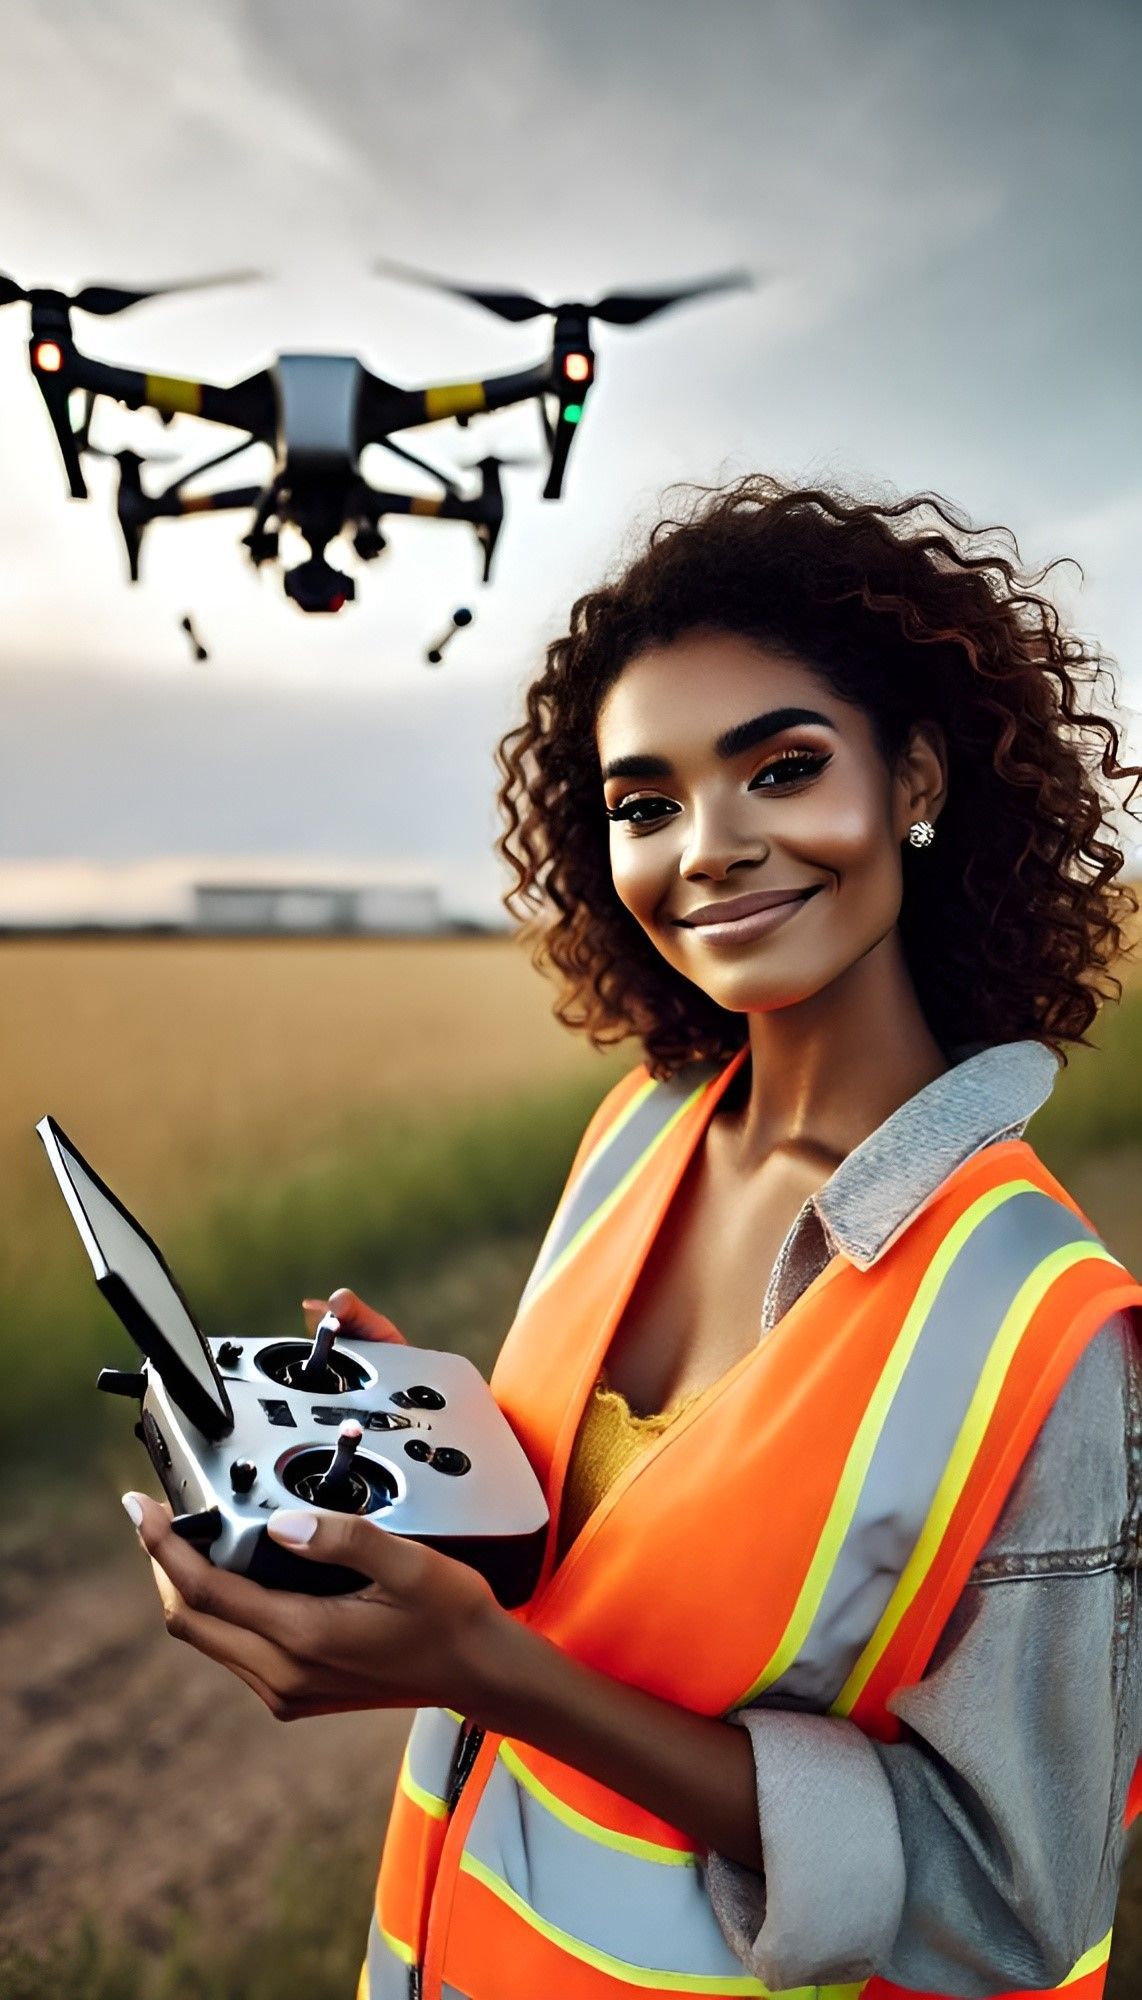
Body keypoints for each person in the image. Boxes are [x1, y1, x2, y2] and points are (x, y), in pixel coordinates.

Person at [126, 475, 1142, 2000]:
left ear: (916, 779)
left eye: (779, 770)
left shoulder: (1046, 1330)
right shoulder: (637, 1129)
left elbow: (1010, 1902)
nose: (708, 848)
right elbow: (636, 1541)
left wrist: (489, 1676)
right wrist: (434, 1440)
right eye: (643, 804)